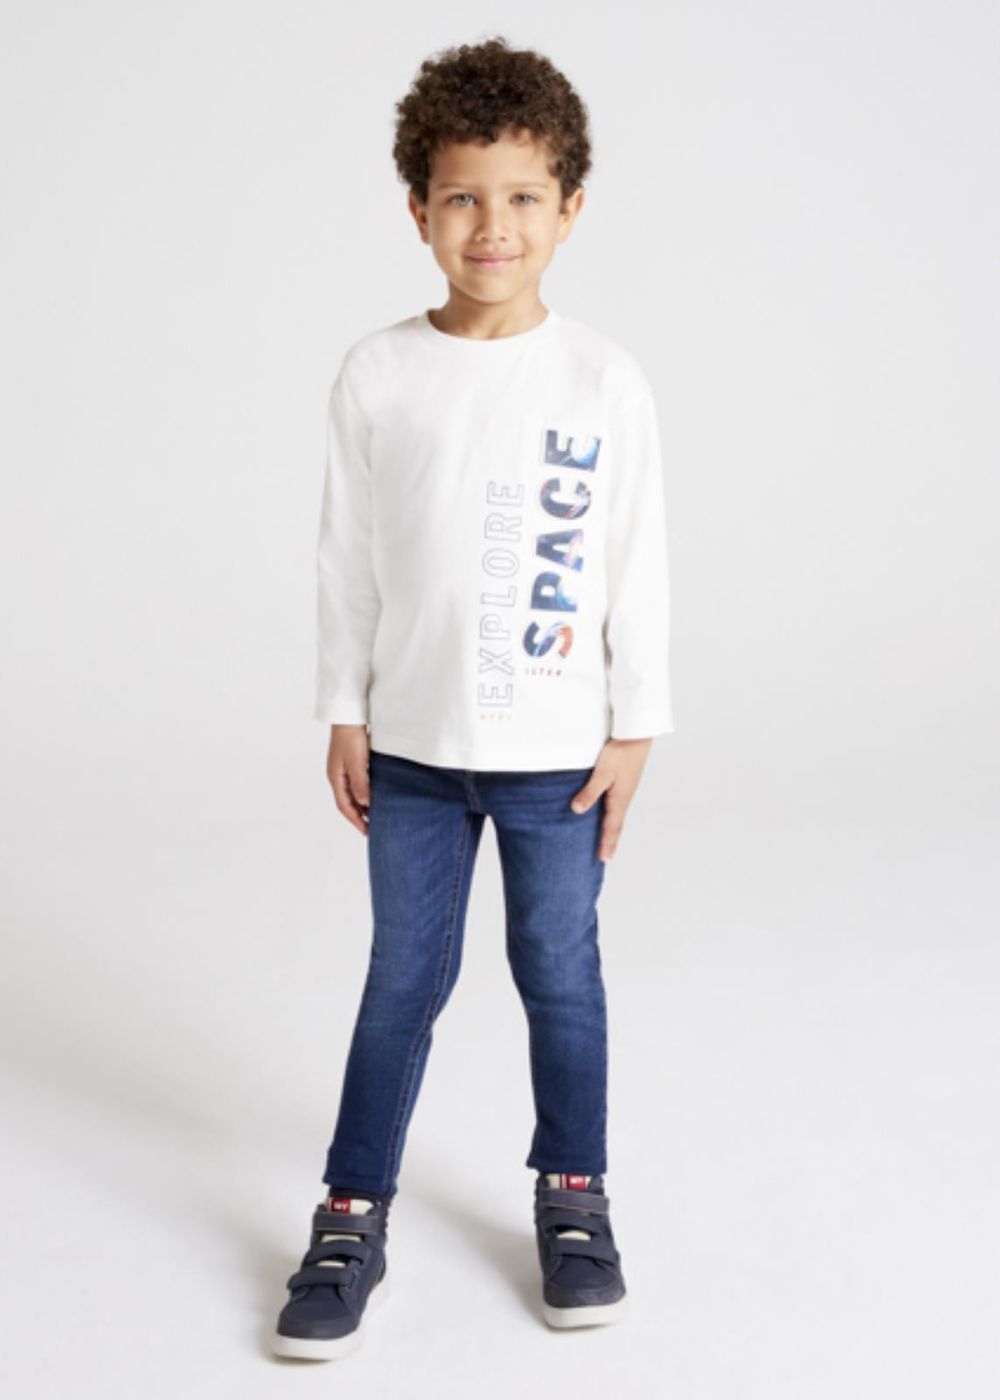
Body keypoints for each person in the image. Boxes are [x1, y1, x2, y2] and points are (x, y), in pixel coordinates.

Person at [273, 34, 674, 1362]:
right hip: (413, 750)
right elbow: (347, 559)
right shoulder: (378, 373)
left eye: (521, 197)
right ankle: (351, 1212)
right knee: (403, 978)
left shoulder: (603, 380)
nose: (491, 225)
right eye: (461, 197)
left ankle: (575, 1195)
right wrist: (345, 708)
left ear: (570, 209)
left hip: (559, 755)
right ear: (418, 212)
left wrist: (635, 727)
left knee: (559, 972)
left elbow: (635, 561)